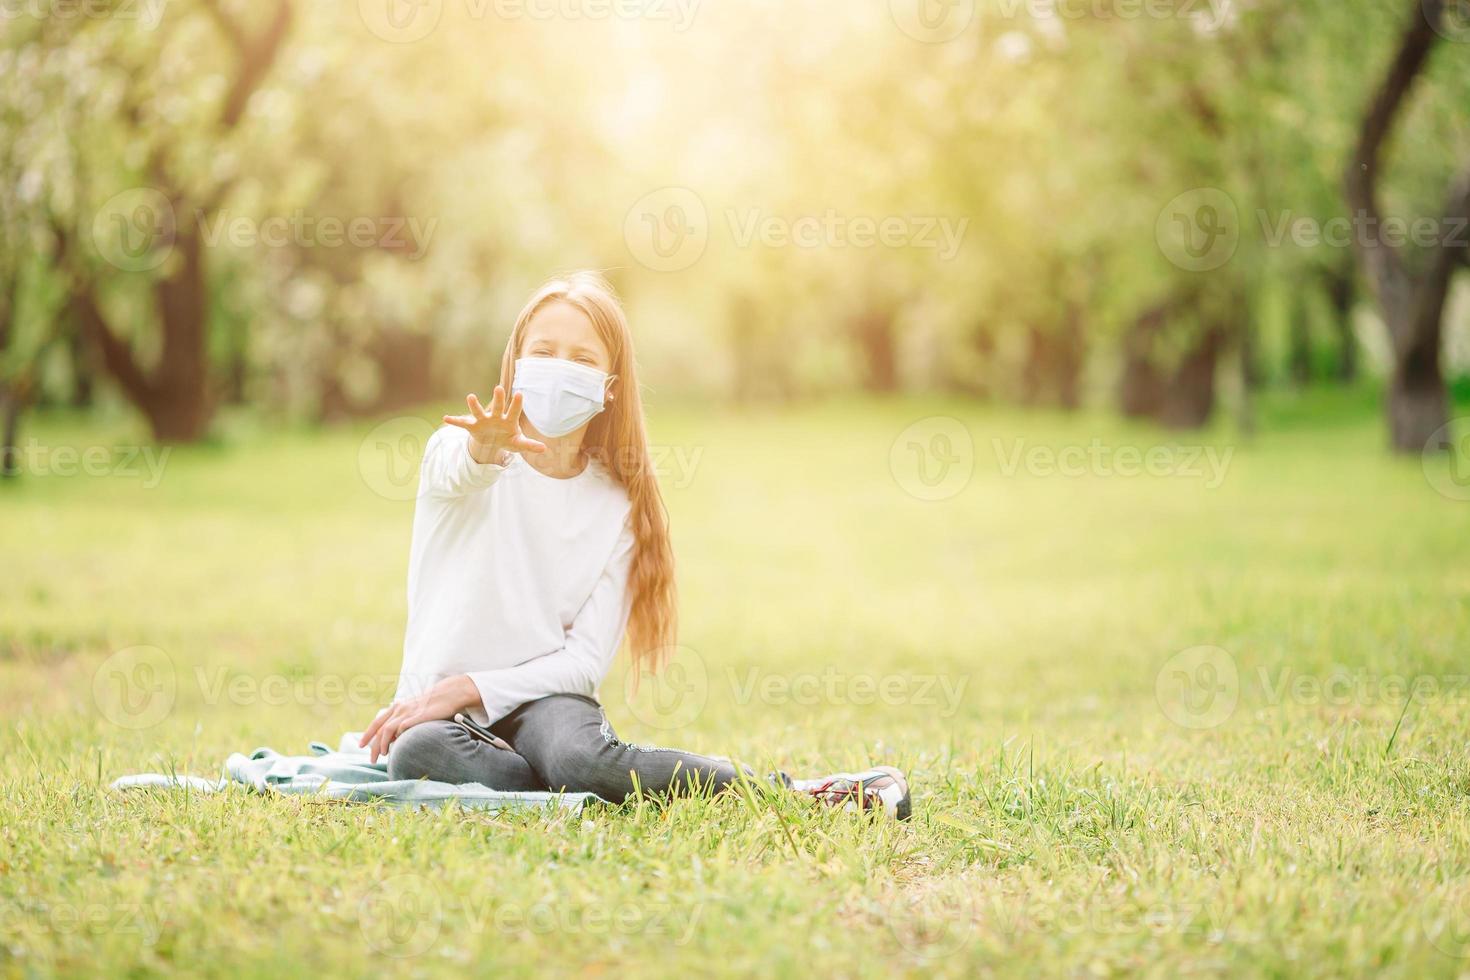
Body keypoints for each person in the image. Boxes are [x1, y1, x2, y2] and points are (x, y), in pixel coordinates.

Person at [359, 272, 910, 819]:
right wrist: (487, 450)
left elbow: (582, 663)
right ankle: (561, 778)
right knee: (416, 753)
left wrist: (469, 686)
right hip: (441, 721)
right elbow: (465, 470)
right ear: (516, 364)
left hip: (543, 703)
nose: (559, 368)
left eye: (581, 359)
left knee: (577, 757)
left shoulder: (617, 502)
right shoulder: (458, 448)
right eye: (544, 352)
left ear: (610, 386)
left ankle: (791, 794)